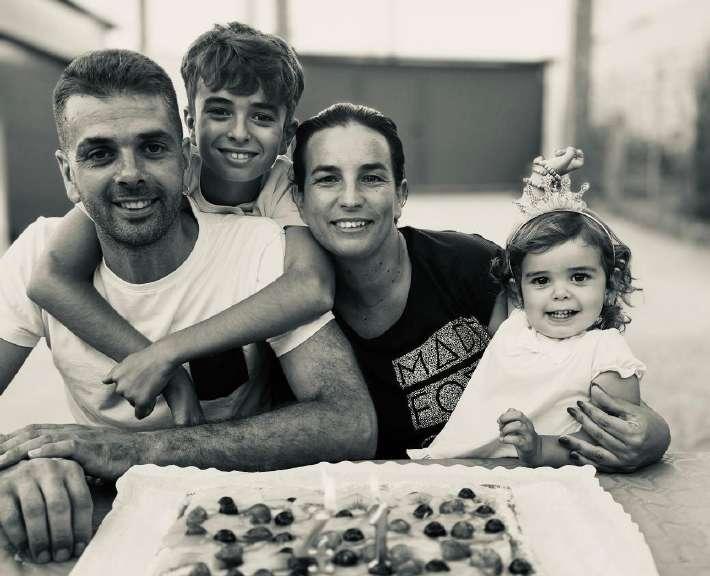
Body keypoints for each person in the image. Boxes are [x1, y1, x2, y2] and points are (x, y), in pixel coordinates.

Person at [0, 51, 376, 564]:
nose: (130, 174)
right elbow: (51, 280)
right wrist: (20, 466)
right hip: (102, 519)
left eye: (152, 147)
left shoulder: (262, 246)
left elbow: (350, 421)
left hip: (241, 517)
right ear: (68, 174)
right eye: (100, 154)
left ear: (184, 154)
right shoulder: (39, 255)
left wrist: (131, 452)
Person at [291, 102, 671, 469]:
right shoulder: (286, 310)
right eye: (328, 178)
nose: (351, 198)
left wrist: (654, 433)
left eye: (372, 177)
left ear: (401, 195)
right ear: (299, 199)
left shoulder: (469, 264)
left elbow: (570, 355)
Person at [26, 22, 335, 423]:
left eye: (261, 116)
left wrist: (168, 353)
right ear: (190, 121)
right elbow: (49, 278)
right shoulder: (166, 170)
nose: (239, 133)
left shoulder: (282, 185)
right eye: (220, 112)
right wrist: (164, 370)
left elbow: (311, 287)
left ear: (287, 134)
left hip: (252, 362)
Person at [414, 149, 646, 467]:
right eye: (541, 281)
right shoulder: (518, 325)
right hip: (458, 466)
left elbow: (613, 438)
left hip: (540, 476)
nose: (559, 293)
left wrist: (539, 448)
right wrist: (541, 181)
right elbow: (517, 248)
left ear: (610, 285)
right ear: (518, 291)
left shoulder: (605, 353)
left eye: (579, 277)